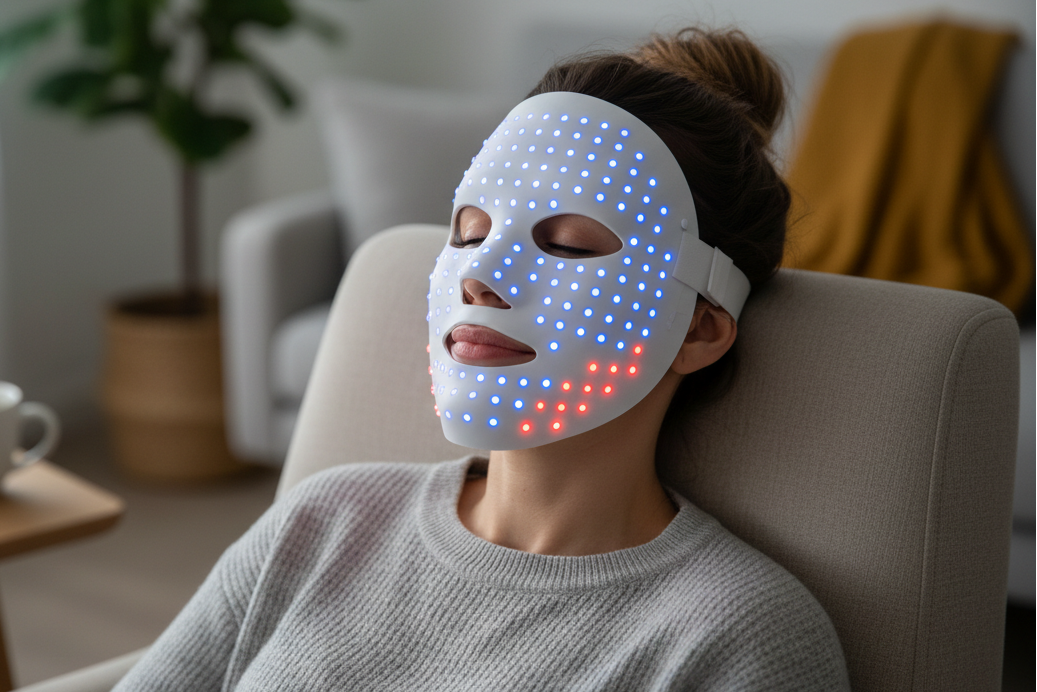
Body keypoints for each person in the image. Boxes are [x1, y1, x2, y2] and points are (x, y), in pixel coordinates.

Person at [114, 27, 850, 691]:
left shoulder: (739, 635)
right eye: (470, 233)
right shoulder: (324, 519)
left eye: (567, 246)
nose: (481, 275)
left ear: (699, 329)